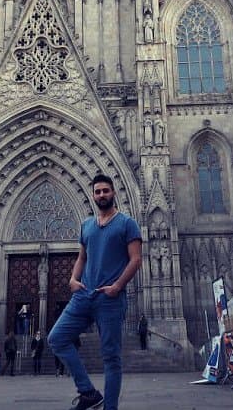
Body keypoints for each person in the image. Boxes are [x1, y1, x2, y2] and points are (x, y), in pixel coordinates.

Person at [48, 173, 142, 410]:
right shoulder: (87, 225)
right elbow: (82, 256)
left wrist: (118, 286)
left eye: (105, 191)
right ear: (93, 195)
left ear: (113, 193)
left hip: (109, 299)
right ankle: (88, 392)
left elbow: (136, 260)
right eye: (98, 191)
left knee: (111, 357)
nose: (102, 195)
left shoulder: (127, 223)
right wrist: (72, 279)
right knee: (56, 338)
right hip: (83, 295)